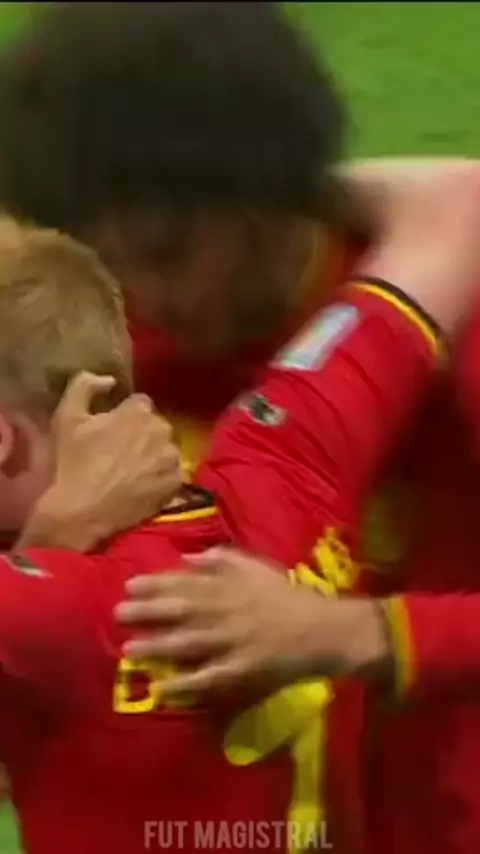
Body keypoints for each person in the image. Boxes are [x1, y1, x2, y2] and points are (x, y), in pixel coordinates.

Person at [3, 5, 480, 854]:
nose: (147, 296)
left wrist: (358, 634)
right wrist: (54, 538)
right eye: (112, 261)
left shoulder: (447, 334)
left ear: (267, 200)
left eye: (170, 252)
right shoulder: (87, 358)